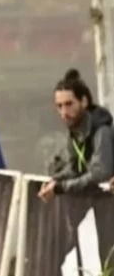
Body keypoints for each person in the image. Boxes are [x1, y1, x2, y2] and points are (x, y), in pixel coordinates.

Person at [41, 68, 114, 201]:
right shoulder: (74, 131)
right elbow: (75, 168)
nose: (64, 112)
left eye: (69, 104)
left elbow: (100, 174)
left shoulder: (101, 131)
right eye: (59, 106)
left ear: (84, 102)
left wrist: (61, 187)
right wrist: (55, 179)